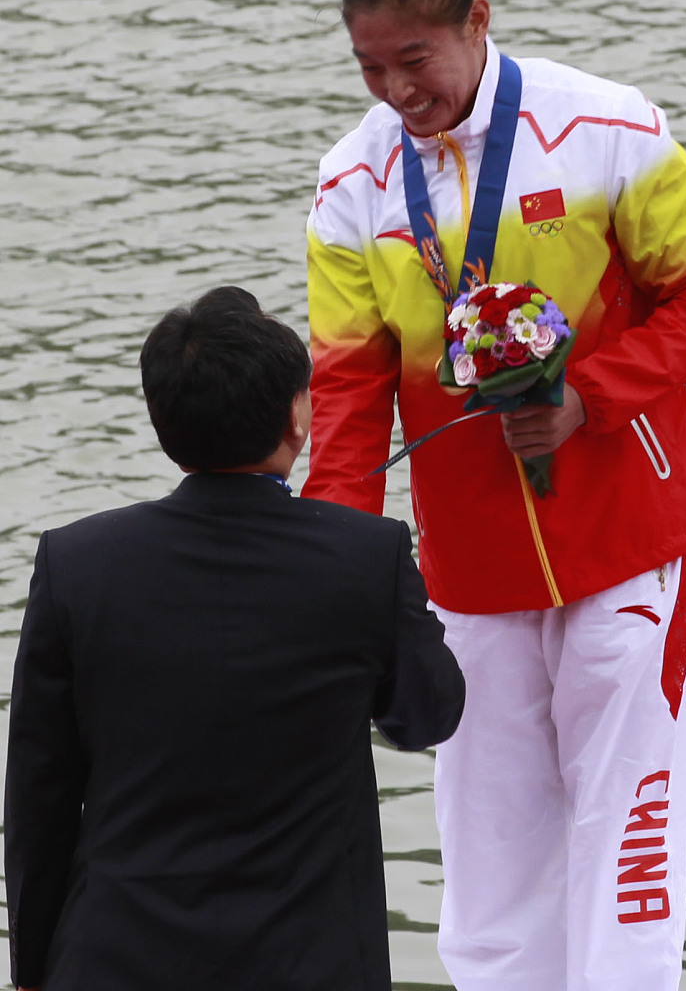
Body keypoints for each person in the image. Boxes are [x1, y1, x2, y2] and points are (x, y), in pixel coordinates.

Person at [303, 0, 686, 991]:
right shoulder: (350, 186)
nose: (396, 92)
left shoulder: (606, 127)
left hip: (626, 540)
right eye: (369, 69)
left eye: (413, 58)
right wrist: (331, 584)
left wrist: (588, 396)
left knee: (622, 848)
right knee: (490, 866)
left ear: (477, 21)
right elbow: (350, 405)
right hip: (469, 567)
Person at [4, 285, 465, 991]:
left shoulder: (77, 564)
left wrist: (35, 967)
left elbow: (38, 795)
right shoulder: (364, 558)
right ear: (296, 418)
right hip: (313, 962)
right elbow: (429, 714)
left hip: (114, 959)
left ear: (164, 424)